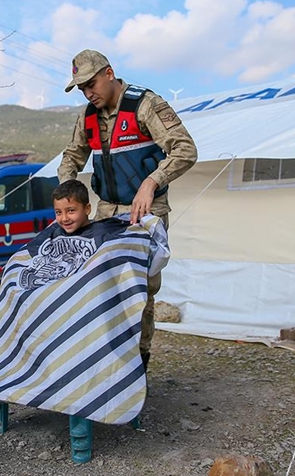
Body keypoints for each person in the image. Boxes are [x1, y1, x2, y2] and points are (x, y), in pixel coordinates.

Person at [59, 49, 197, 370]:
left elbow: (185, 148)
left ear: (109, 74)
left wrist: (153, 180)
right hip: (107, 211)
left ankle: (138, 363)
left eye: (91, 84)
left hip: (145, 214)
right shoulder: (87, 116)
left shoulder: (145, 104)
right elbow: (72, 156)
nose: (87, 92)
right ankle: (103, 361)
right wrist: (67, 191)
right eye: (81, 88)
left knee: (139, 291)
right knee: (100, 285)